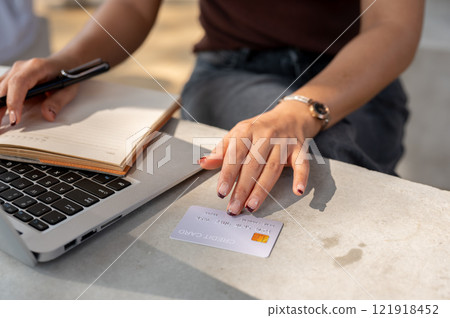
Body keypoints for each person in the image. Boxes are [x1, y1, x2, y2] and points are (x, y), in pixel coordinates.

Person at [0, 0, 424, 215]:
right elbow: (132, 6)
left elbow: (394, 26)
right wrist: (66, 65)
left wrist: (298, 110)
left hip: (353, 72)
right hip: (231, 68)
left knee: (331, 170)